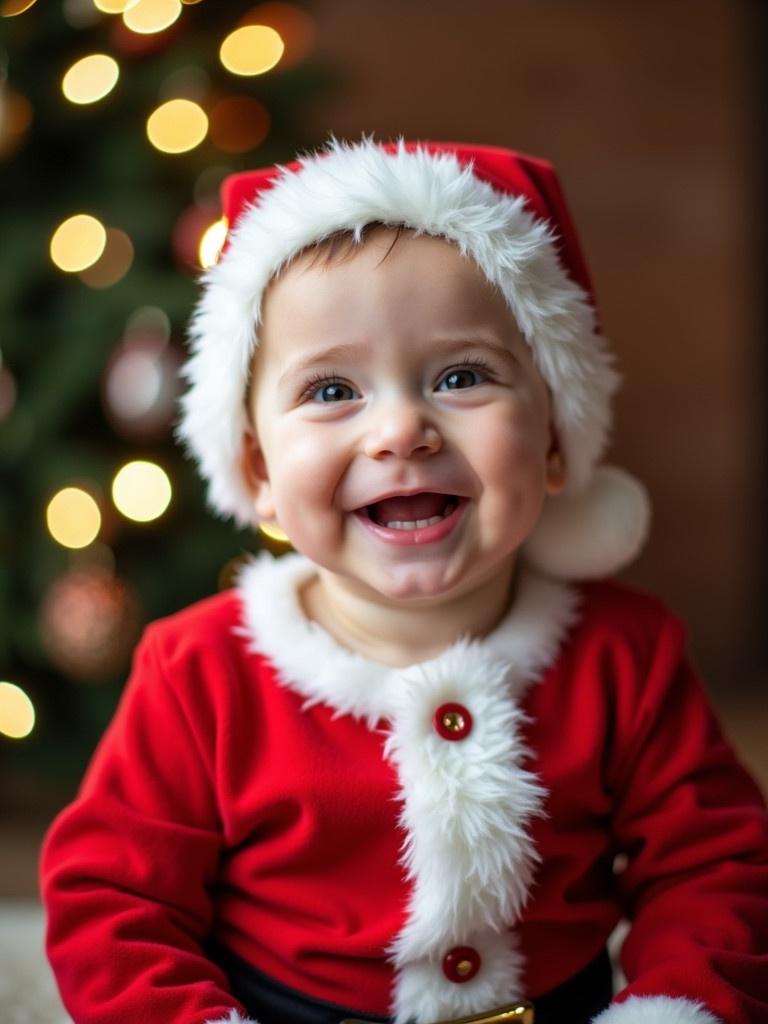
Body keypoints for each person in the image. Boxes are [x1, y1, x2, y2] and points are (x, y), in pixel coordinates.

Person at [40, 138, 768, 1024]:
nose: (400, 430)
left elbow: (717, 872)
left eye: (462, 376)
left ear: (551, 442)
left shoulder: (628, 654)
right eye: (333, 389)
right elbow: (115, 905)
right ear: (258, 467)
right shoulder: (197, 673)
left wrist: (670, 1009)